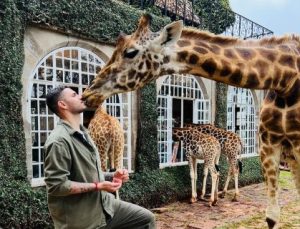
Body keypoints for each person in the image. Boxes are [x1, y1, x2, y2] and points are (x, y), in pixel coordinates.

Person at [44, 86, 156, 229]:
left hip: (106, 205)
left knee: (146, 219)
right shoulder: (59, 141)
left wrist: (111, 175)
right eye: (74, 95)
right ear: (63, 105)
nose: (81, 96)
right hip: (83, 219)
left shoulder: (84, 133)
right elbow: (57, 185)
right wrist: (98, 186)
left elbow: (86, 174)